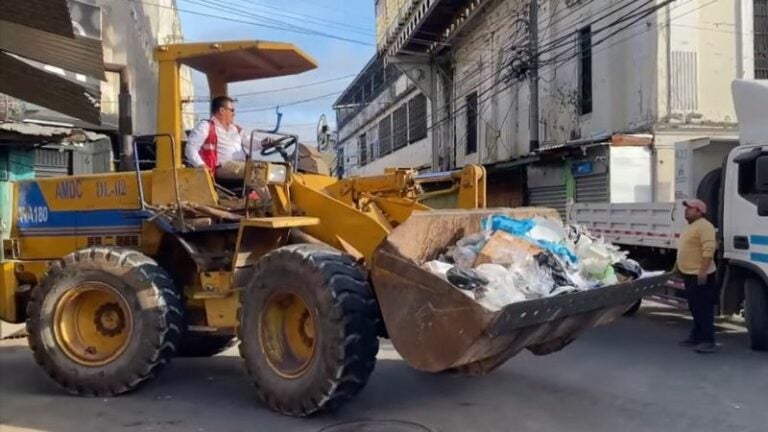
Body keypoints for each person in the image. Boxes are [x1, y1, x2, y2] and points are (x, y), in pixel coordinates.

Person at [185, 96, 271, 180]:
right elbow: (191, 148)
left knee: (268, 169)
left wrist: (263, 143)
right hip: (222, 166)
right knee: (255, 170)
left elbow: (248, 141)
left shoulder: (235, 129)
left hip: (242, 164)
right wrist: (201, 165)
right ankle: (267, 195)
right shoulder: (206, 126)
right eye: (232, 110)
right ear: (222, 110)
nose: (234, 113)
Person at [675, 199, 718, 354]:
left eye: (690, 208)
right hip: (690, 274)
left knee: (703, 308)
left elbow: (709, 249)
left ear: (700, 211)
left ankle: (708, 340)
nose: (686, 210)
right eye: (686, 208)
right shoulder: (691, 226)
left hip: (700, 275)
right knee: (694, 307)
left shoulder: (705, 226)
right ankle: (697, 336)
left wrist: (703, 272)